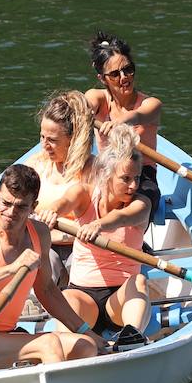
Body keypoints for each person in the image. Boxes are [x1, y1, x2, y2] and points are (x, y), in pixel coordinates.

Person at [0, 164, 100, 372]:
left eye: (21, 207)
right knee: (49, 344)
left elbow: (46, 290)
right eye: (5, 203)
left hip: (6, 336)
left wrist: (86, 331)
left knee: (85, 347)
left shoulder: (40, 234)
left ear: (33, 206)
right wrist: (11, 269)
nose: (10, 212)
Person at [57, 124, 153, 350]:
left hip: (118, 300)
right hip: (82, 295)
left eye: (137, 178)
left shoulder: (141, 204)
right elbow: (63, 203)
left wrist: (99, 224)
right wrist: (51, 212)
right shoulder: (84, 194)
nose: (133, 186)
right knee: (67, 298)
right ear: (106, 175)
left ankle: (132, 339)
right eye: (126, 178)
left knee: (139, 281)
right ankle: (64, 347)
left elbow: (123, 217)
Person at [84, 30, 163, 217]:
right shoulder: (97, 98)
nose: (124, 77)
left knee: (138, 203)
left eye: (128, 69)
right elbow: (86, 104)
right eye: (115, 74)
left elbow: (138, 116)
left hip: (141, 174)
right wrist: (82, 111)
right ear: (102, 79)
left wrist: (119, 122)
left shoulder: (151, 104)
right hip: (107, 171)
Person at [26, 90, 95, 287]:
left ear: (72, 139)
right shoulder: (34, 167)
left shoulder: (93, 171)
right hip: (45, 247)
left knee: (79, 266)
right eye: (42, 137)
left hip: (85, 247)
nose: (44, 145)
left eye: (52, 140)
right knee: (43, 261)